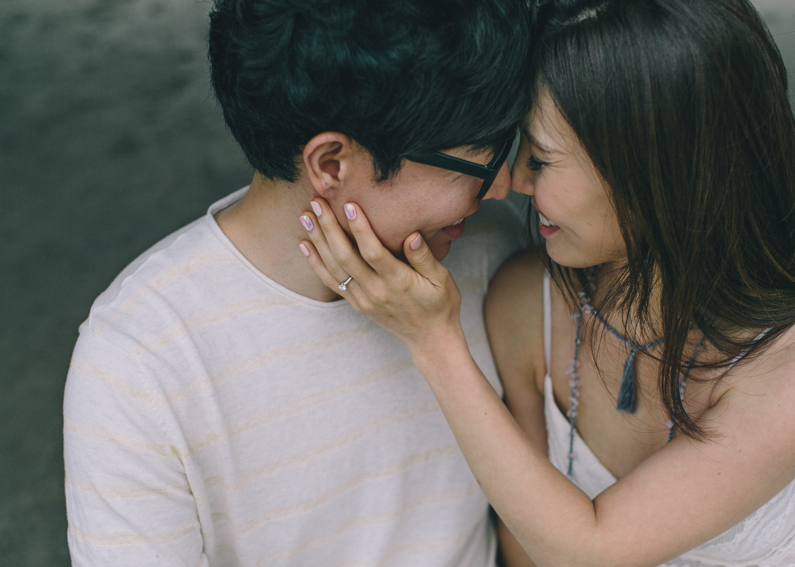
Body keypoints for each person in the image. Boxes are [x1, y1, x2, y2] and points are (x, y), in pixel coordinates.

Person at [297, 0, 795, 565]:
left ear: (655, 170)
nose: (511, 182)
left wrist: (433, 341)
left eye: (542, 159)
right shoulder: (526, 303)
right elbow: (523, 547)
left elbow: (592, 548)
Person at [62, 1, 533, 565]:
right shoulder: (139, 361)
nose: (505, 186)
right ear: (331, 164)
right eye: (481, 160)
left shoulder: (499, 253)